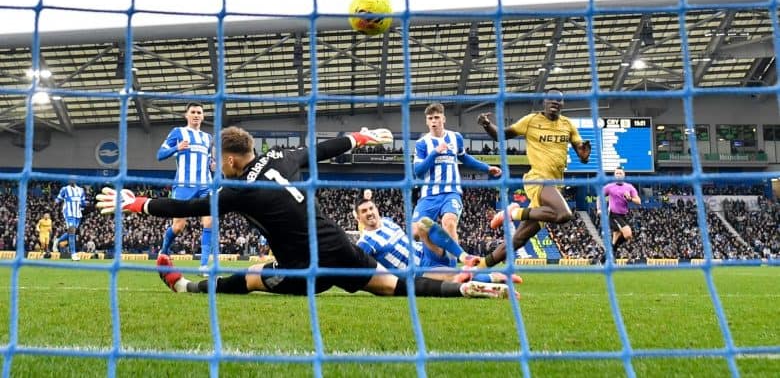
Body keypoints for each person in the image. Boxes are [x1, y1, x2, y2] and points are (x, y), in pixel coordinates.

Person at [97, 126, 515, 300]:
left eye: (215, 159)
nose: (213, 165)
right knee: (390, 285)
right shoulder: (280, 156)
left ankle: (186, 286)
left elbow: (188, 206)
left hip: (307, 267)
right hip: (337, 243)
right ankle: (461, 290)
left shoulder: (237, 190)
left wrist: (137, 203)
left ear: (229, 161)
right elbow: (322, 150)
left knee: (252, 276)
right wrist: (361, 136)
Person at [476, 88, 591, 268]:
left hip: (555, 185)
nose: (555, 102)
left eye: (558, 100)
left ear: (563, 104)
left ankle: (479, 267)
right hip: (537, 179)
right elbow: (501, 135)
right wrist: (486, 124)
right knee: (564, 214)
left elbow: (582, 154)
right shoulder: (531, 120)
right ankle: (512, 213)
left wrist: (584, 155)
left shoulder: (568, 125)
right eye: (551, 99)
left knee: (520, 238)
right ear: (543, 102)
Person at [354, 190, 521, 285]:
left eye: (371, 208)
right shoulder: (366, 243)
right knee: (455, 277)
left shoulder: (387, 221)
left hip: (428, 252)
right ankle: (497, 277)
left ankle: (464, 256)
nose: (369, 213)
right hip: (418, 271)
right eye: (364, 211)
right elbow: (357, 266)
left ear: (376, 209)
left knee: (423, 223)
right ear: (358, 217)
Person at [413, 103, 501, 245]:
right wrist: (435, 153)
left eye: (437, 117)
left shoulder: (456, 137)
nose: (434, 121)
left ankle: (455, 265)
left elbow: (464, 157)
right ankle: (433, 257)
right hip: (429, 195)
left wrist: (487, 168)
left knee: (449, 223)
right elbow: (418, 172)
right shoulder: (422, 143)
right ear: (426, 121)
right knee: (415, 233)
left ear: (444, 119)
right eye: (430, 118)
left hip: (451, 193)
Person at [157, 102, 215, 276]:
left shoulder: (208, 138)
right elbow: (160, 155)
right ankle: (164, 250)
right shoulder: (178, 132)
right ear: (187, 115)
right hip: (183, 185)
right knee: (179, 226)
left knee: (210, 221)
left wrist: (213, 165)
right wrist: (177, 147)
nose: (196, 115)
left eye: (199, 112)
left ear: (203, 116)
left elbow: (209, 162)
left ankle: (204, 265)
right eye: (193, 112)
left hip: (205, 185)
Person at [597, 167, 641, 264]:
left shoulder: (629, 187)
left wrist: (630, 199)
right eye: (617, 173)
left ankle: (603, 259)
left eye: (620, 173)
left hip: (624, 215)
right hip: (613, 215)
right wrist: (599, 209)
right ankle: (612, 252)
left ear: (624, 175)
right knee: (628, 234)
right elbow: (599, 196)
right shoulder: (609, 187)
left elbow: (638, 201)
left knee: (615, 241)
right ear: (614, 175)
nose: (618, 175)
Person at [54, 180, 87, 261]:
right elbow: (58, 199)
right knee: (72, 232)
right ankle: (73, 254)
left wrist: (85, 204)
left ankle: (58, 240)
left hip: (78, 214)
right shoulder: (64, 189)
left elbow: (83, 202)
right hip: (69, 213)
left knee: (71, 232)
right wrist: (55, 203)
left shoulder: (81, 190)